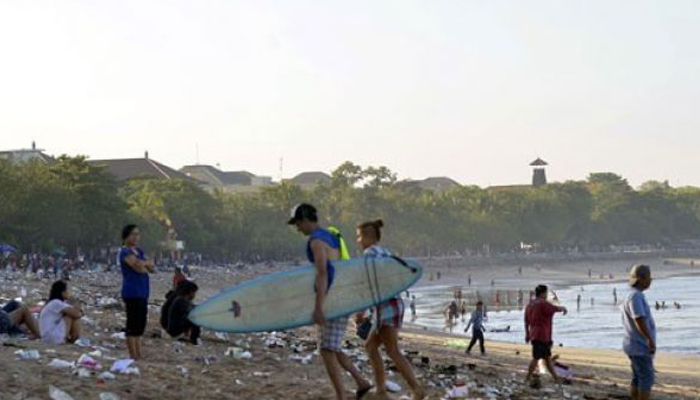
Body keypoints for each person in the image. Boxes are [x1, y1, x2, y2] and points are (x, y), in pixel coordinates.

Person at [288, 204, 372, 400]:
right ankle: (361, 382)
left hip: (333, 299)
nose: (297, 228)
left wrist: (318, 307)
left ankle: (341, 395)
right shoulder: (331, 236)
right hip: (341, 296)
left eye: (298, 223)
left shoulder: (316, 241)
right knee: (331, 346)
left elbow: (323, 272)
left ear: (306, 219)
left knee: (326, 349)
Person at [356, 220, 424, 400]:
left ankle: (416, 389)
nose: (358, 240)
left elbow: (369, 285)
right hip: (394, 304)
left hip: (384, 307)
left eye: (359, 236)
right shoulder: (384, 252)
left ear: (368, 237)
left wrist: (360, 310)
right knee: (371, 347)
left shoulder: (369, 255)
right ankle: (380, 390)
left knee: (392, 350)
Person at [119, 224, 154, 360]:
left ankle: (139, 354)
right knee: (132, 325)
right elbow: (139, 267)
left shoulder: (139, 251)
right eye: (133, 234)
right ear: (126, 236)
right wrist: (144, 264)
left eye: (137, 234)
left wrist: (143, 264)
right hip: (132, 292)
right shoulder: (125, 252)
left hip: (143, 292)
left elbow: (150, 267)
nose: (136, 237)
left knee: (140, 325)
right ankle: (133, 355)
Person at [622, 265, 656, 400]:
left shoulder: (634, 295)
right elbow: (639, 319)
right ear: (641, 279)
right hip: (639, 345)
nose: (651, 280)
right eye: (649, 277)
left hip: (634, 344)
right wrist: (648, 339)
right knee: (646, 378)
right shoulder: (635, 296)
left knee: (637, 377)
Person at [525, 284, 567, 386]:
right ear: (543, 293)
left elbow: (526, 321)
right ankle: (527, 378)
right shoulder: (542, 304)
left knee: (547, 358)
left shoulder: (530, 305)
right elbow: (554, 308)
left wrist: (527, 334)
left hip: (534, 334)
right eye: (546, 293)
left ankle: (556, 379)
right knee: (536, 358)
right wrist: (563, 308)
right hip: (543, 335)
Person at [39, 280, 83, 345]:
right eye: (67, 291)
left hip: (47, 337)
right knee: (70, 316)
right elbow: (77, 314)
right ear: (62, 293)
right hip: (52, 338)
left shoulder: (53, 303)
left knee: (71, 314)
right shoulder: (56, 303)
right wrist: (75, 305)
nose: (69, 293)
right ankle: (73, 339)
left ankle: (72, 339)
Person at [161, 280, 201, 345]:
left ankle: (191, 336)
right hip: (173, 331)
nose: (194, 295)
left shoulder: (180, 299)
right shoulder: (181, 301)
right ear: (190, 292)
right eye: (194, 293)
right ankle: (194, 340)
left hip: (169, 327)